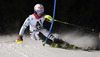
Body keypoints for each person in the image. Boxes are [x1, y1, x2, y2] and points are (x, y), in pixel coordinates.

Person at [16, 4, 89, 51]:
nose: (40, 12)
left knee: (51, 36)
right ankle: (50, 43)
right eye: (38, 10)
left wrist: (50, 19)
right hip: (33, 33)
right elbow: (23, 27)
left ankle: (65, 44)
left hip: (42, 30)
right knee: (39, 34)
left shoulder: (44, 16)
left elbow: (51, 21)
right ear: (35, 10)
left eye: (41, 10)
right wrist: (20, 36)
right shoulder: (30, 18)